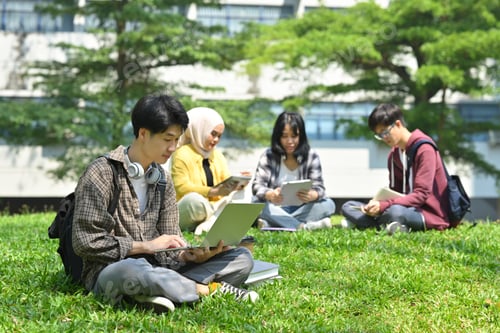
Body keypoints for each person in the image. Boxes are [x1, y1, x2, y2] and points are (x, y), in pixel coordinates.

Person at [72, 94, 258, 314]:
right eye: (167, 139)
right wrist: (145, 246)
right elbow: (85, 242)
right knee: (133, 269)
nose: (173, 147)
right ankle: (204, 289)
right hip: (112, 270)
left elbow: (171, 242)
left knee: (241, 258)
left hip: (161, 268)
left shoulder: (162, 179)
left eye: (177, 139)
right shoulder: (101, 173)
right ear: (143, 133)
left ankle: (155, 294)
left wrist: (189, 255)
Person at [340, 103, 452, 234]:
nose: (384, 138)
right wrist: (376, 205)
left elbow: (421, 194)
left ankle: (370, 224)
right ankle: (392, 226)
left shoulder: (424, 149)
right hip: (403, 208)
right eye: (379, 135)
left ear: (398, 124)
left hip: (427, 213)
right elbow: (395, 192)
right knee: (349, 207)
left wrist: (384, 206)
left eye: (385, 132)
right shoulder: (394, 155)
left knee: (395, 211)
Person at [169, 107, 249, 234]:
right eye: (213, 134)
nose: (216, 139)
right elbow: (181, 187)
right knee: (194, 201)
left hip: (215, 206)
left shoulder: (217, 155)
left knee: (245, 194)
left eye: (219, 136)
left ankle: (211, 221)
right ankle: (216, 220)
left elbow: (225, 183)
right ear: (199, 129)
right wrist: (211, 192)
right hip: (192, 209)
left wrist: (238, 183)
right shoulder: (182, 154)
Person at [252, 111, 335, 230]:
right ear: (278, 136)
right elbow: (257, 186)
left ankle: (273, 223)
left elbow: (320, 188)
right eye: (285, 136)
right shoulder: (268, 155)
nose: (290, 141)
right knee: (255, 203)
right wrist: (270, 194)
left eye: (294, 136)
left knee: (328, 204)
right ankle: (301, 226)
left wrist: (312, 195)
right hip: (275, 207)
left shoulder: (311, 155)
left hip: (302, 208)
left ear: (301, 136)